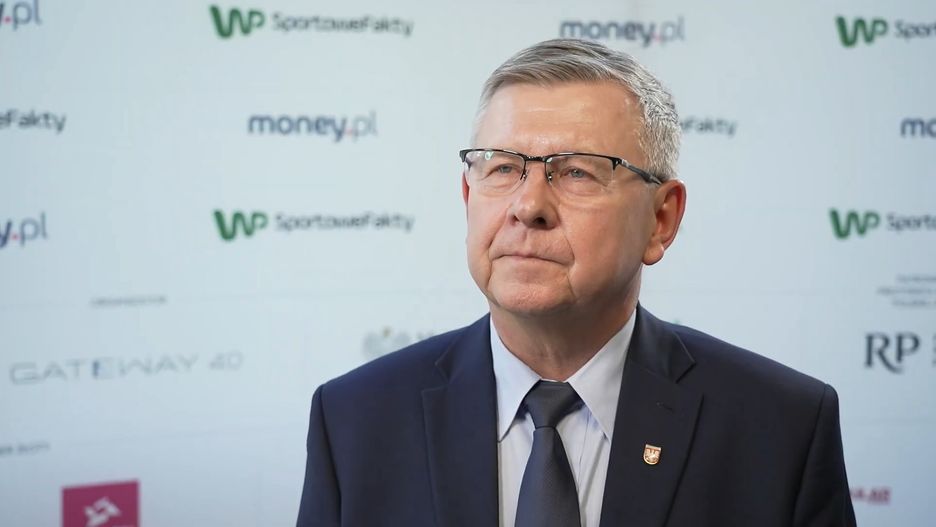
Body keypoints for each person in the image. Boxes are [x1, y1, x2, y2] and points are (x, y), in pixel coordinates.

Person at [296, 38, 856, 527]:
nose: (528, 206)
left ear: (661, 220)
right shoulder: (354, 421)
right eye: (502, 168)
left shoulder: (781, 429)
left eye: (577, 171)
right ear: (468, 198)